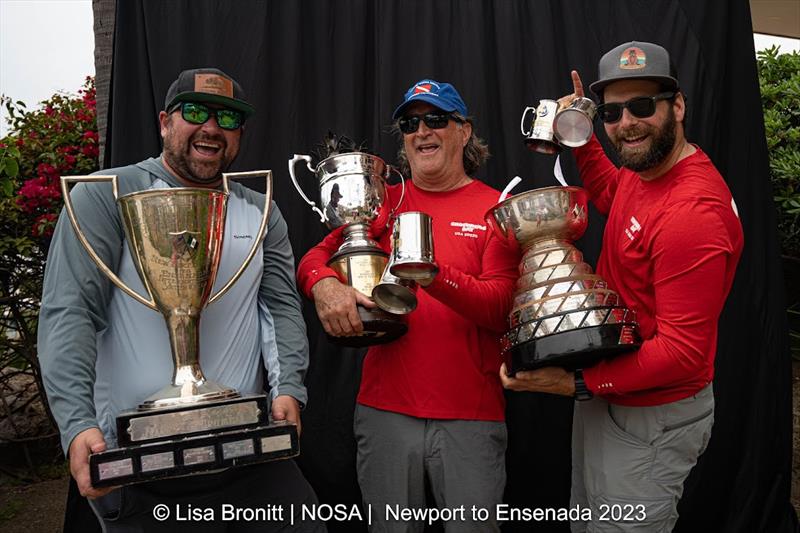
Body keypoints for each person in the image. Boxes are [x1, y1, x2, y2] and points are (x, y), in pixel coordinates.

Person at [38, 67, 325, 532]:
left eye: (228, 118)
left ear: (240, 133)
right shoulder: (105, 196)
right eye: (194, 111)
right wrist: (77, 423)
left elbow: (279, 308)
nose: (211, 127)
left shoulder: (260, 209)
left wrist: (290, 387)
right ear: (165, 122)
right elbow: (70, 313)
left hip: (248, 455)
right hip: (140, 465)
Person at [500, 42, 744, 531]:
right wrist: (582, 139)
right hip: (616, 395)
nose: (626, 122)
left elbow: (682, 352)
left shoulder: (693, 214)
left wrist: (576, 383)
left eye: (641, 106)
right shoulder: (647, 169)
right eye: (611, 111)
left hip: (652, 414)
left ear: (677, 105)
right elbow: (612, 193)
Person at [297, 79, 518, 532]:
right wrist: (324, 287)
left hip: (470, 415)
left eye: (436, 119)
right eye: (410, 123)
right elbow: (314, 259)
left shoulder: (497, 206)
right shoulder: (381, 202)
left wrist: (432, 273)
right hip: (386, 413)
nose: (422, 131)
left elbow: (500, 308)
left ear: (464, 131)